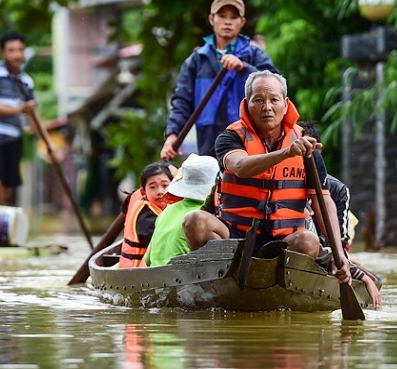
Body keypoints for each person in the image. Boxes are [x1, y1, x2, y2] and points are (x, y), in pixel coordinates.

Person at [182, 70, 352, 286]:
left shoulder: (307, 146)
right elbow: (241, 167)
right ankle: (224, 273)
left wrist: (339, 255)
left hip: (283, 241)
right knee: (193, 221)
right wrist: (287, 153)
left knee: (309, 241)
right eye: (259, 100)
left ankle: (276, 280)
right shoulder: (231, 137)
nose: (267, 107)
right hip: (235, 235)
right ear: (247, 103)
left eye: (274, 100)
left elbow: (323, 201)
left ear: (286, 104)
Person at [160, 0, 279, 160]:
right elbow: (182, 101)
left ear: (242, 22)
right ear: (211, 19)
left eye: (234, 17)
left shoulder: (254, 56)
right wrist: (173, 134)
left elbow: (277, 87)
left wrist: (243, 68)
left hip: (249, 137)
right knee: (213, 184)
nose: (228, 22)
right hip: (209, 141)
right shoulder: (196, 60)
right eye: (222, 16)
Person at [0, 32, 38, 205]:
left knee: (8, 188)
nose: (16, 55)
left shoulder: (26, 81)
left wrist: (42, 137)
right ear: (3, 52)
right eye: (11, 50)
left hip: (14, 138)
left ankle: (0, 229)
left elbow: (32, 112)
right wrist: (20, 110)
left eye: (20, 50)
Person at [144, 154, 219, 267]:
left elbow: (148, 260)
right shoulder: (207, 216)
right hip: (182, 278)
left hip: (155, 277)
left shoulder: (165, 212)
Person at [298, 121, 353, 250]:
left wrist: (335, 251)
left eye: (307, 146)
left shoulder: (338, 190)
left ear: (318, 150)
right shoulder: (284, 183)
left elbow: (341, 239)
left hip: (324, 248)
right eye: (299, 146)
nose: (302, 152)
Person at [118, 162, 175, 268]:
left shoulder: (165, 209)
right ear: (144, 192)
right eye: (153, 187)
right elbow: (164, 243)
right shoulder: (145, 216)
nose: (160, 191)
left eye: (165, 185)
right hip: (136, 272)